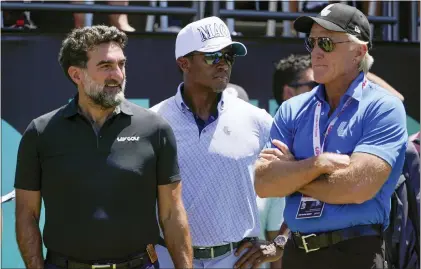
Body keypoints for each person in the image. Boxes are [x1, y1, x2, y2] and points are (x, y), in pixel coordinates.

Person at [14, 25, 192, 269]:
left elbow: (172, 214)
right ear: (77, 75)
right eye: (106, 66)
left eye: (122, 65)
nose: (118, 75)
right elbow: (26, 215)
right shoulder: (41, 132)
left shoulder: (155, 129)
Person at [255, 3, 408, 269]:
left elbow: (356, 187)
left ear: (359, 51)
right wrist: (318, 164)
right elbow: (264, 183)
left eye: (325, 42)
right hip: (297, 254)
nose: (315, 52)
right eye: (311, 42)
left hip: (356, 254)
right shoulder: (293, 108)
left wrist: (292, 174)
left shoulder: (384, 106)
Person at [151, 16, 282, 269]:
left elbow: (295, 186)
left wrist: (278, 243)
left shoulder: (258, 120)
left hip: (236, 260)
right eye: (212, 56)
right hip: (168, 259)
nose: (223, 64)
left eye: (228, 56)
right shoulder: (155, 121)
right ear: (184, 63)